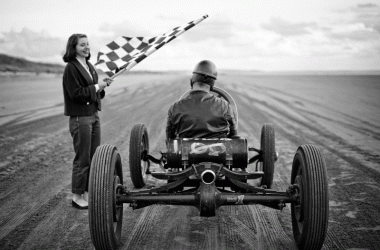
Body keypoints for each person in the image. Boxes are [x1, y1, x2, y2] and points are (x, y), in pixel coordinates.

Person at [62, 34, 113, 209]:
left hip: (93, 115)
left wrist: (103, 85)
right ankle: (77, 197)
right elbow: (76, 94)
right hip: (80, 118)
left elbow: (95, 91)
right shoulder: (71, 68)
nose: (86, 47)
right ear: (73, 47)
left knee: (93, 158)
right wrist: (98, 87)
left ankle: (87, 193)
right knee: (82, 159)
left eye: (87, 44)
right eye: (82, 45)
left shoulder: (89, 65)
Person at [166, 60, 237, 142]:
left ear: (191, 81)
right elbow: (234, 134)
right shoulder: (224, 105)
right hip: (219, 152)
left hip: (186, 153)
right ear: (212, 84)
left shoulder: (175, 108)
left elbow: (170, 139)